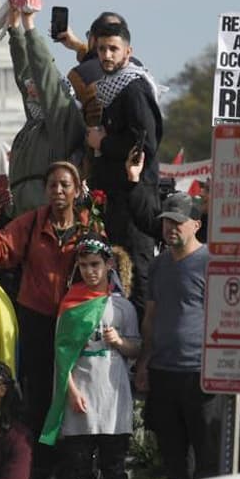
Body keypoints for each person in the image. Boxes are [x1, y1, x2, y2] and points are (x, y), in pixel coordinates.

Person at [0, 161, 86, 479]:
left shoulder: (88, 226)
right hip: (37, 320)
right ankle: (38, 473)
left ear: (76, 190)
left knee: (76, 396)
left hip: (75, 322)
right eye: (52, 185)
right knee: (39, 397)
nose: (58, 191)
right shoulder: (32, 222)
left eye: (65, 185)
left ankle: (75, 472)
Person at [135, 192, 222, 479]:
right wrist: (145, 363)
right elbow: (150, 317)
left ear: (196, 225)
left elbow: (225, 316)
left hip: (199, 373)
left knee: (207, 457)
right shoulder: (158, 265)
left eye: (178, 222)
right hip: (163, 372)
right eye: (166, 222)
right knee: (173, 458)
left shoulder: (212, 262)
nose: (171, 227)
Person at [43, 235, 139, 479]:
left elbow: (137, 348)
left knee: (114, 470)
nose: (89, 271)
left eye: (95, 264)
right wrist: (71, 392)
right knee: (79, 471)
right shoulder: (70, 305)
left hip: (113, 395)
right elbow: (62, 355)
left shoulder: (122, 306)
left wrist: (119, 342)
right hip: (81, 394)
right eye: (84, 265)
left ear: (109, 265)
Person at [86, 22, 162, 314]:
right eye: (102, 49)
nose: (107, 55)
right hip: (116, 200)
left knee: (135, 277)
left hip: (134, 198)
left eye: (113, 49)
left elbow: (145, 143)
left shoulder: (133, 88)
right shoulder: (111, 89)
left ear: (128, 52)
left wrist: (102, 143)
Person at [5, 1, 85, 216]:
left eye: (37, 88)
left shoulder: (62, 121)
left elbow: (44, 74)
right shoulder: (35, 124)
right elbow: (24, 75)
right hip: (23, 217)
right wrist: (15, 30)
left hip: (48, 217)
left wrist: (30, 26)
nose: (31, 91)